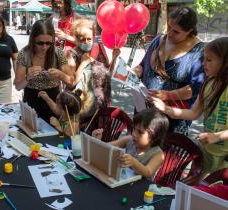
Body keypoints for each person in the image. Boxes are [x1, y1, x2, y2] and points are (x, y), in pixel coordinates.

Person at [151, 37, 228, 175]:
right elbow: (193, 113)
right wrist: (166, 109)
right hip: (207, 151)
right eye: (204, 59)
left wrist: (217, 136)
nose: (204, 64)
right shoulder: (208, 84)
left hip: (224, 158)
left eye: (209, 60)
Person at [132, 7, 205, 135]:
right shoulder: (158, 40)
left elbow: (195, 88)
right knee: (140, 150)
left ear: (189, 31)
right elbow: (143, 65)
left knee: (164, 153)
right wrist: (135, 71)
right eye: (169, 26)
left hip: (171, 119)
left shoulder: (199, 52)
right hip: (144, 110)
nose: (169, 33)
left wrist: (168, 95)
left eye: (176, 31)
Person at [14, 19, 73, 122]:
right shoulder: (24, 54)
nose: (44, 47)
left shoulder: (57, 53)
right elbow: (18, 86)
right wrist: (28, 77)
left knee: (55, 133)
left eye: (48, 43)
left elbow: (71, 82)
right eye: (40, 43)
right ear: (33, 39)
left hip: (54, 103)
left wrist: (60, 75)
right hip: (31, 101)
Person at [66, 18, 119, 123]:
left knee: (98, 136)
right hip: (83, 105)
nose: (86, 42)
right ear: (76, 39)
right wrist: (83, 63)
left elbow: (108, 74)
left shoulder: (99, 48)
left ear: (94, 36)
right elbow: (71, 83)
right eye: (82, 39)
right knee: (79, 136)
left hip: (101, 103)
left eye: (89, 39)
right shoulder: (71, 54)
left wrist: (114, 58)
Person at [92, 108, 169, 179]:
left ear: (155, 136)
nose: (134, 134)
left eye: (140, 132)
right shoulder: (129, 140)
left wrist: (134, 162)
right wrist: (97, 141)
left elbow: (148, 172)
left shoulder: (157, 154)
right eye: (134, 129)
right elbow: (107, 147)